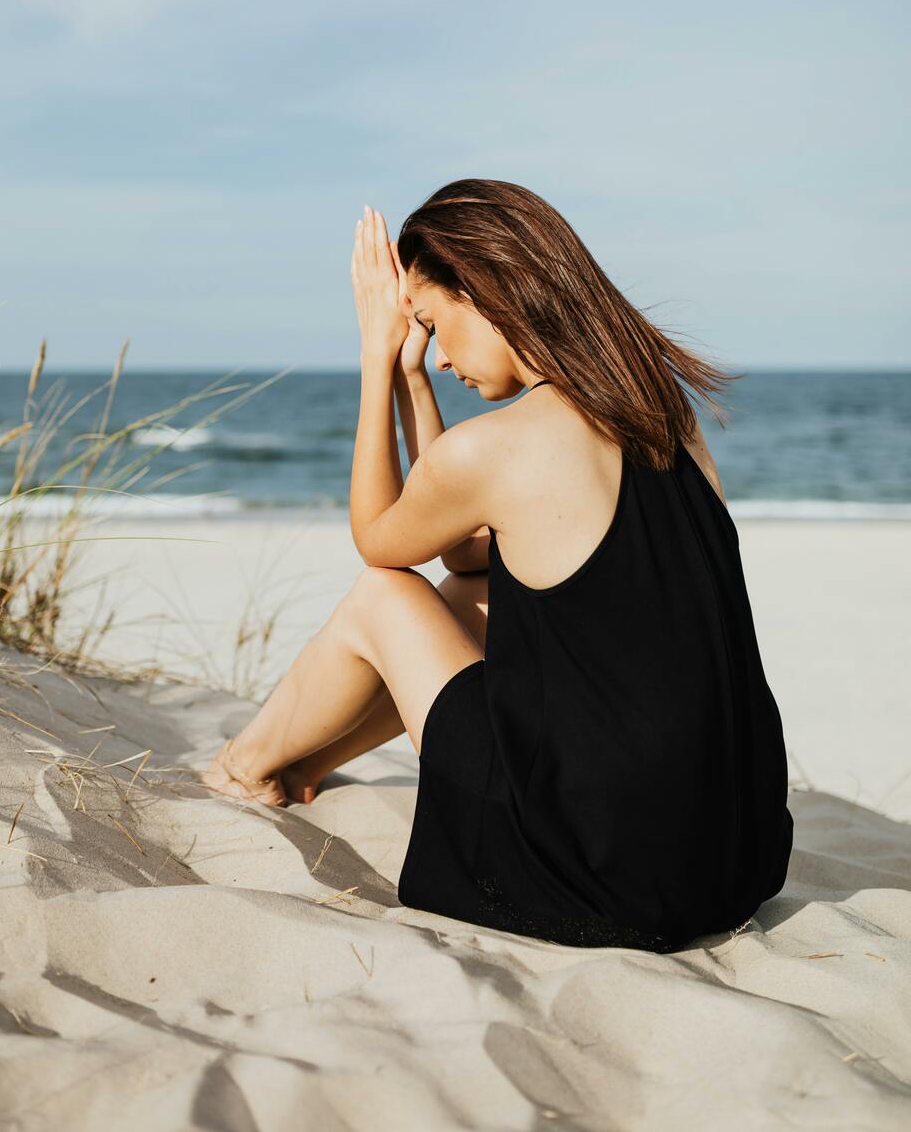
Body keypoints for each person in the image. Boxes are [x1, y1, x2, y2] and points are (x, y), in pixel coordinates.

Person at [202, 178, 793, 952]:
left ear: (482, 290)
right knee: (469, 592)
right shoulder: (664, 412)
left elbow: (379, 541)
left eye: (433, 325)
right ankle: (304, 766)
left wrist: (376, 359)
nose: (441, 355)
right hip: (727, 861)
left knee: (384, 596)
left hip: (600, 875)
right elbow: (462, 546)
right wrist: (414, 380)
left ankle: (244, 766)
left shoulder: (506, 446)